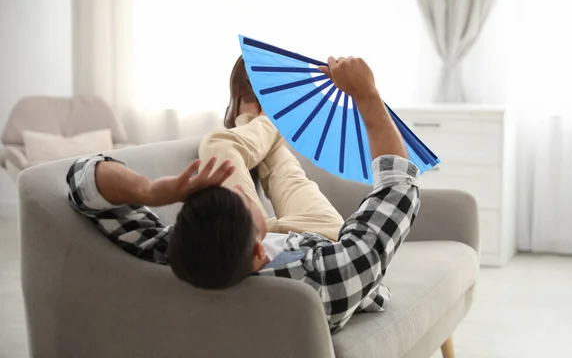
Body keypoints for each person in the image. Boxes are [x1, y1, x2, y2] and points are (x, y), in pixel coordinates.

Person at [66, 56, 421, 333]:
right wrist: (367, 94)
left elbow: (82, 178)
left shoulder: (172, 254)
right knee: (281, 167)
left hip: (237, 245)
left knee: (224, 145)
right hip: (321, 241)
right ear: (258, 247)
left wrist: (153, 191)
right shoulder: (333, 275)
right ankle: (268, 119)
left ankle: (251, 120)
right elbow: (399, 187)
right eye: (242, 197)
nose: (240, 190)